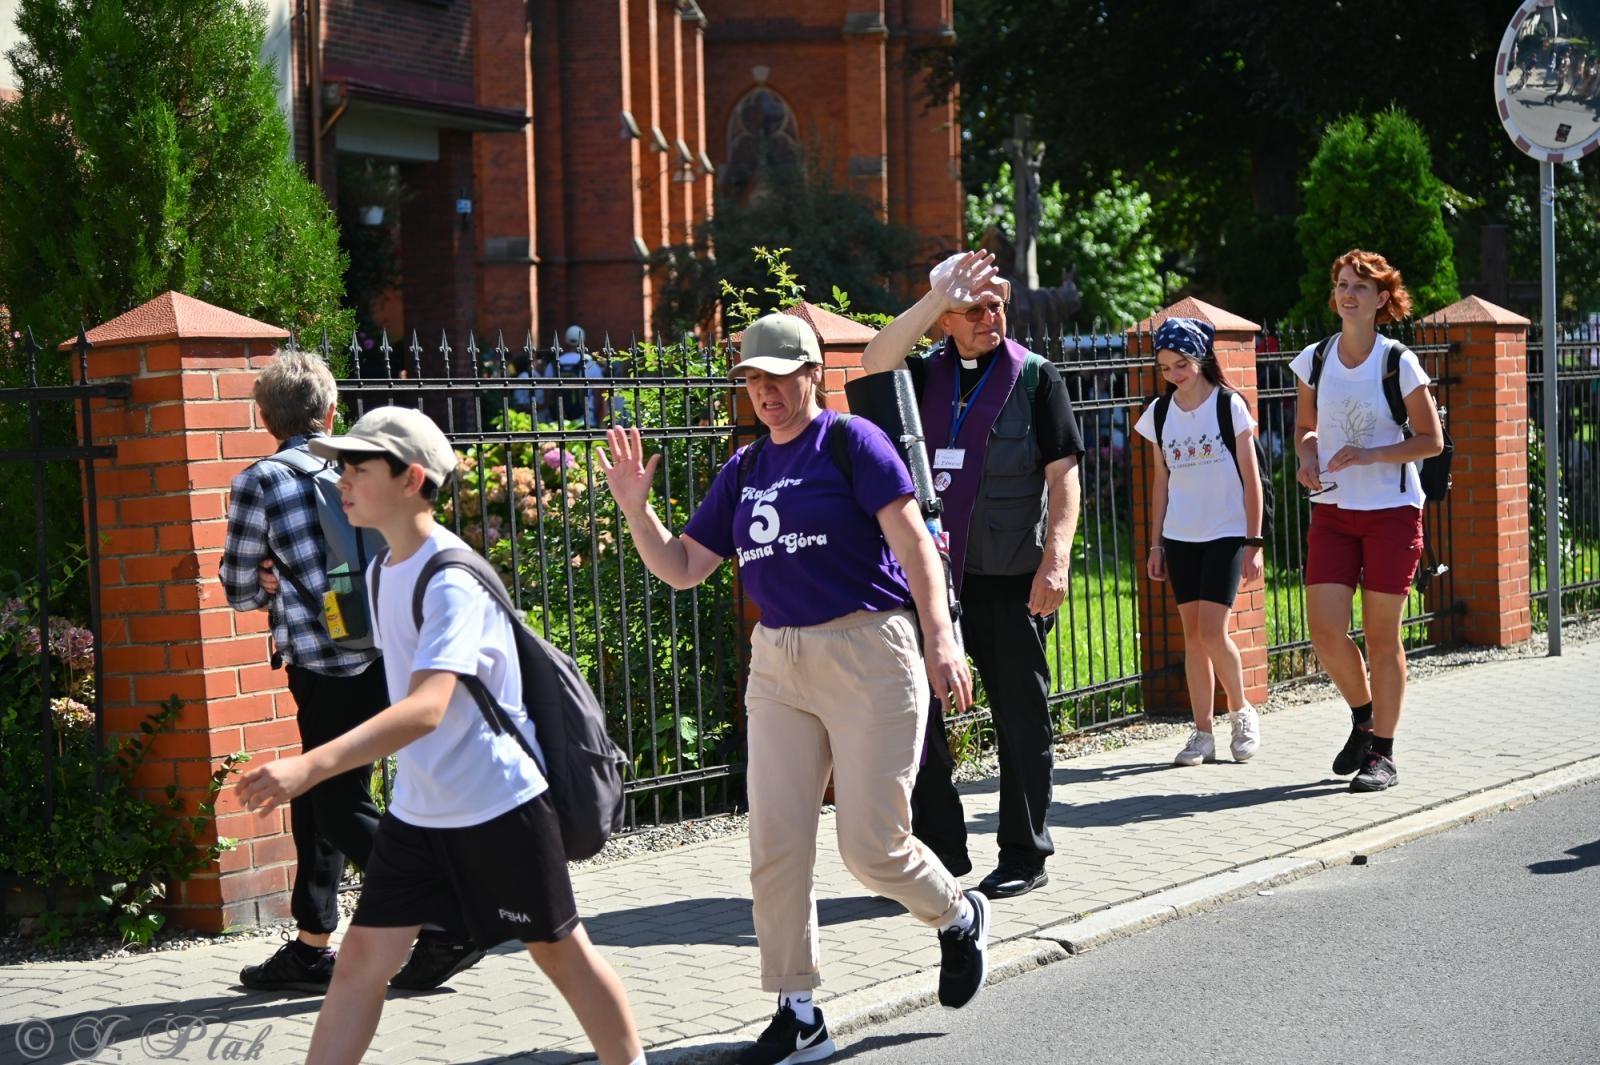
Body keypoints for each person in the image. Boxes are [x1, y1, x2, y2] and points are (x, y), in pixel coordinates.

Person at [599, 312, 990, 1065]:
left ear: (813, 372)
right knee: (776, 844)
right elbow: (683, 567)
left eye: (779, 376)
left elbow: (914, 543)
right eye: (753, 378)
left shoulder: (853, 442)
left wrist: (942, 638)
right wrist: (635, 509)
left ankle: (956, 915)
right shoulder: (744, 469)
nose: (765, 391)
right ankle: (798, 1010)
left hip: (869, 649)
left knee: (872, 848)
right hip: (778, 661)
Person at [236, 406, 648, 1065]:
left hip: (499, 805)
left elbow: (427, 706)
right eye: (342, 467)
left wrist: (309, 767)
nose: (342, 480)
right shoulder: (382, 569)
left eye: (358, 467)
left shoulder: (450, 576)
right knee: (361, 962)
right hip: (420, 809)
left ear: (410, 479)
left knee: (560, 954)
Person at [219, 353, 482, 995]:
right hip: (388, 648)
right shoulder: (355, 467)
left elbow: (238, 589)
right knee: (319, 796)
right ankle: (313, 944)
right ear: (332, 413)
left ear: (265, 418)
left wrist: (268, 581)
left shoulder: (260, 481)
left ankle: (447, 915)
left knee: (336, 804)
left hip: (323, 661)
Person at [861, 251, 1083, 900]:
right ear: (946, 322)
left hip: (1008, 577)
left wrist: (1057, 558)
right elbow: (874, 359)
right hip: (931, 581)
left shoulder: (1035, 377)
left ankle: (1024, 852)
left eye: (997, 305)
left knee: (1021, 719)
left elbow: (1064, 475)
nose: (991, 317)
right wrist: (936, 297)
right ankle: (940, 850)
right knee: (918, 719)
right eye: (974, 308)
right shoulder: (923, 376)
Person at [1291, 249, 1444, 793]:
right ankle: (1363, 717)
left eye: (1359, 286)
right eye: (1341, 285)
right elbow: (1305, 428)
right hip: (1332, 510)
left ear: (1381, 299)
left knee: (1382, 637)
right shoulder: (1314, 358)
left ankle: (1384, 753)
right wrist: (1308, 456)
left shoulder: (1397, 361)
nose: (1347, 294)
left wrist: (1369, 454)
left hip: (1391, 513)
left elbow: (1431, 440)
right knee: (1325, 631)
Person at [1133, 318, 1264, 766]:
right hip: (1180, 536)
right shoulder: (1159, 413)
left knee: (1212, 631)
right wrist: (1156, 545)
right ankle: (1202, 734)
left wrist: (1254, 541)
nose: (1174, 374)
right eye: (1165, 368)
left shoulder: (1229, 405)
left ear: (1201, 358)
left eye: (1181, 364)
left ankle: (1241, 712)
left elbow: (1251, 478)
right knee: (1192, 637)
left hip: (1226, 532)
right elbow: (1160, 483)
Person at [543, 324, 608, 427]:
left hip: (557, 423)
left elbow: (547, 397)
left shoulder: (553, 365)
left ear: (565, 341)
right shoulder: (590, 365)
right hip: (586, 421)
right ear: (583, 342)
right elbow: (599, 398)